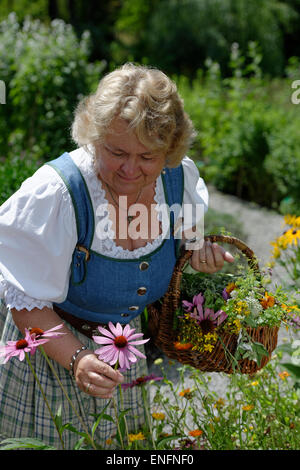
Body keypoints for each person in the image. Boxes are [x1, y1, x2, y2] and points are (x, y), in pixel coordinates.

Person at [0, 63, 234, 449]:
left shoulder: (178, 179)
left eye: (147, 157)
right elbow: (25, 304)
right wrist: (77, 360)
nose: (130, 169)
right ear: (94, 137)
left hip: (125, 352)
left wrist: (197, 251)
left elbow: (186, 235)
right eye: (116, 151)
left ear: (170, 151)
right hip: (51, 354)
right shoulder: (58, 193)